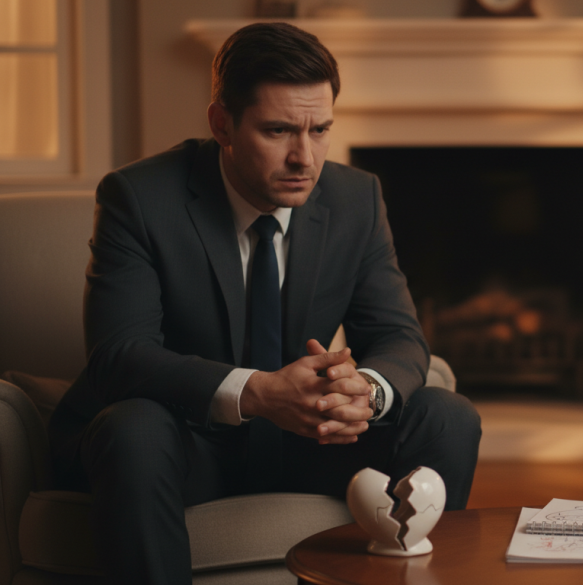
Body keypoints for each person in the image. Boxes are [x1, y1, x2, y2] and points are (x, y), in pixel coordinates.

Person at [48, 22, 481, 584]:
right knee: (133, 427)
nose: (305, 157)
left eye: (320, 129)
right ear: (221, 124)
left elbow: (400, 337)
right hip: (188, 442)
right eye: (278, 130)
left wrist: (366, 393)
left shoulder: (356, 198)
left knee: (448, 416)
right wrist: (257, 392)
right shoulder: (139, 198)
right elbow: (119, 354)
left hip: (312, 441)